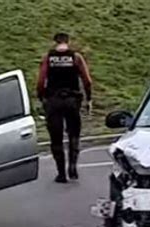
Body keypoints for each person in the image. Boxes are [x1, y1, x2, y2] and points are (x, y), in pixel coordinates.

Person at [36, 33, 93, 183]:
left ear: (55, 42)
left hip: (54, 101)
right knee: (74, 134)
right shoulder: (75, 57)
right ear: (68, 42)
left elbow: (41, 81)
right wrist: (89, 98)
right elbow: (87, 81)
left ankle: (61, 173)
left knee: (56, 138)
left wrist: (41, 97)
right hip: (72, 101)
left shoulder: (48, 57)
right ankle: (72, 166)